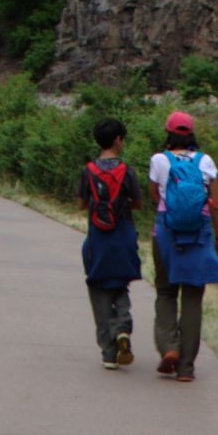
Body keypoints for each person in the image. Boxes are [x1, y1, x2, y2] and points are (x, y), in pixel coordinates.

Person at [149, 110, 218, 383]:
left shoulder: (159, 160)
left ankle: (169, 346)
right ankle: (186, 368)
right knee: (193, 297)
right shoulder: (206, 161)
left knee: (166, 292)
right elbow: (215, 206)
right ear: (192, 133)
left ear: (168, 133)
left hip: (166, 233)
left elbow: (155, 198)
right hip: (200, 233)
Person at [77, 118, 142, 369]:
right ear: (117, 140)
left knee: (98, 287)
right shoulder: (127, 171)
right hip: (123, 234)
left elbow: (82, 204)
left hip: (97, 238)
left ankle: (108, 353)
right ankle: (123, 328)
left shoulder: (88, 170)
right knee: (120, 285)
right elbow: (137, 203)